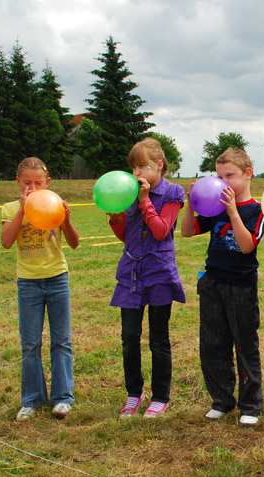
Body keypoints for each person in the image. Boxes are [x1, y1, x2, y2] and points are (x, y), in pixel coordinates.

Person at [181, 147, 264, 428]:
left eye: (229, 175)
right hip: (212, 283)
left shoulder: (257, 209)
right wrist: (191, 203)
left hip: (241, 286)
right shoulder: (212, 205)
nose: (222, 181)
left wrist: (232, 211)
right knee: (213, 344)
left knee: (245, 345)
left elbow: (246, 246)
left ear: (247, 174)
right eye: (219, 175)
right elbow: (187, 231)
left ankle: (250, 404)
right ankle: (221, 400)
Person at [107, 138, 186, 418]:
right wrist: (116, 219)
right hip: (131, 274)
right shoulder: (128, 194)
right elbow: (125, 237)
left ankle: (160, 396)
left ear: (159, 166)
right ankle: (134, 393)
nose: (137, 174)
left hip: (159, 273)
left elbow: (161, 230)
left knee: (158, 339)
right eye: (133, 168)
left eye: (143, 166)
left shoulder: (173, 192)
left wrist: (144, 202)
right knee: (129, 337)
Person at [1, 157, 79, 421]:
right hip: (28, 283)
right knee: (30, 343)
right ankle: (32, 400)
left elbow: (74, 243)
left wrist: (66, 221)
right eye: (26, 183)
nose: (32, 187)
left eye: (38, 182)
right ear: (18, 183)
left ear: (48, 183)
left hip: (57, 279)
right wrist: (23, 210)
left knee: (62, 341)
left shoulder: (55, 205)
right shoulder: (10, 208)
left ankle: (62, 398)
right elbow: (6, 242)